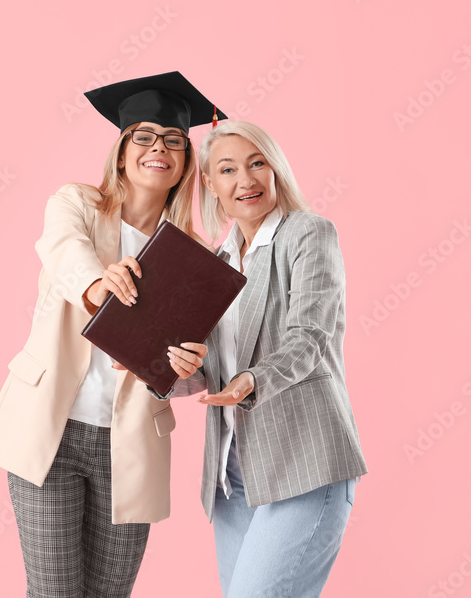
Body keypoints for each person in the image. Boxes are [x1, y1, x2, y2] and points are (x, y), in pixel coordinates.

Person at [0, 71, 224, 598]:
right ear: (121, 150)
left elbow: (195, 371)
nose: (160, 147)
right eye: (145, 136)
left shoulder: (194, 258)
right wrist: (97, 281)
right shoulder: (78, 206)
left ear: (184, 163)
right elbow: (63, 250)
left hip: (129, 445)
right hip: (51, 431)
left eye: (174, 140)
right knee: (56, 593)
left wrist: (184, 369)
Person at [174, 120, 368, 597]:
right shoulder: (216, 263)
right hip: (233, 475)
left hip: (303, 461)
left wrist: (252, 380)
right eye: (228, 169)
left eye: (257, 163)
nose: (246, 180)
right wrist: (155, 366)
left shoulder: (308, 234)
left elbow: (311, 337)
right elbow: (205, 371)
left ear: (276, 168)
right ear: (210, 184)